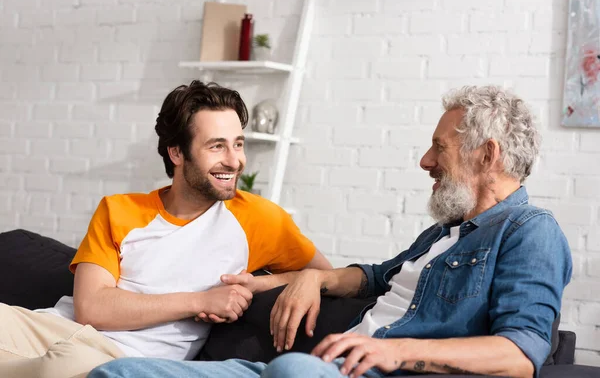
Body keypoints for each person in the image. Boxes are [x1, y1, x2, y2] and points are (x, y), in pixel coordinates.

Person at [89, 85, 572, 378]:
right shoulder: (446, 233)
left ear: (487, 156)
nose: (425, 162)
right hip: (315, 369)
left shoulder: (530, 232)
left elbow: (520, 354)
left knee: (295, 369)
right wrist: (308, 278)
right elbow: (375, 275)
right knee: (118, 372)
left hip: (359, 370)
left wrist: (391, 350)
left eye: (438, 148)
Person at [0, 81, 332, 378]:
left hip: (115, 361)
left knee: (60, 368)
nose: (234, 161)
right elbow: (92, 307)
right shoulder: (119, 209)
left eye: (239, 144)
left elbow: (328, 276)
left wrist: (265, 283)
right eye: (217, 146)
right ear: (176, 152)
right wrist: (200, 301)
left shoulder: (258, 218)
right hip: (50, 327)